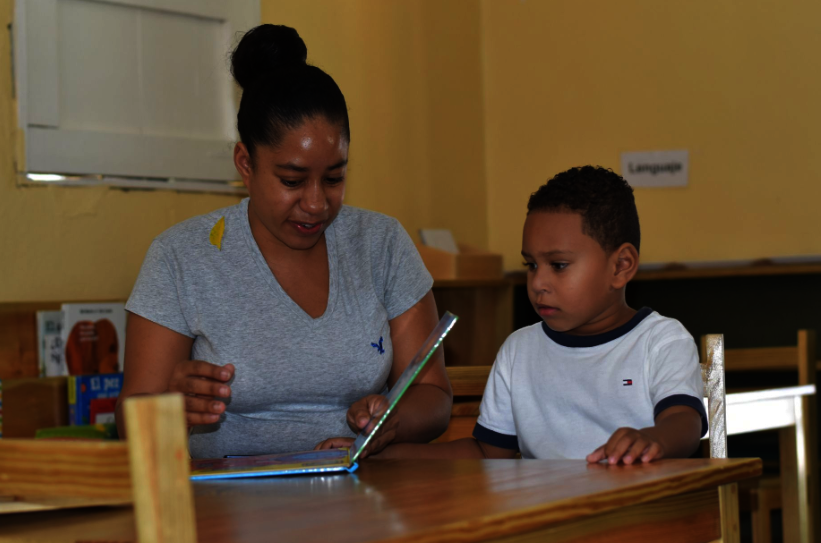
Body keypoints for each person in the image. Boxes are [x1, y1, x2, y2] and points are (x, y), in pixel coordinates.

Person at [115, 24, 452, 459]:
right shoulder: (181, 257)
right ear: (245, 164)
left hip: (357, 503)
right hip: (228, 513)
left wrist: (389, 424)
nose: (315, 203)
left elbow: (432, 394)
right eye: (292, 180)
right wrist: (168, 410)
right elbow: (131, 421)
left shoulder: (381, 245)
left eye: (334, 178)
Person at [323, 166, 707, 463]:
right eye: (530, 265)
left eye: (557, 265)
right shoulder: (519, 351)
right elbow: (488, 456)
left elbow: (684, 422)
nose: (538, 282)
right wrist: (373, 453)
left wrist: (654, 439)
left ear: (621, 266)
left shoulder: (661, 341)